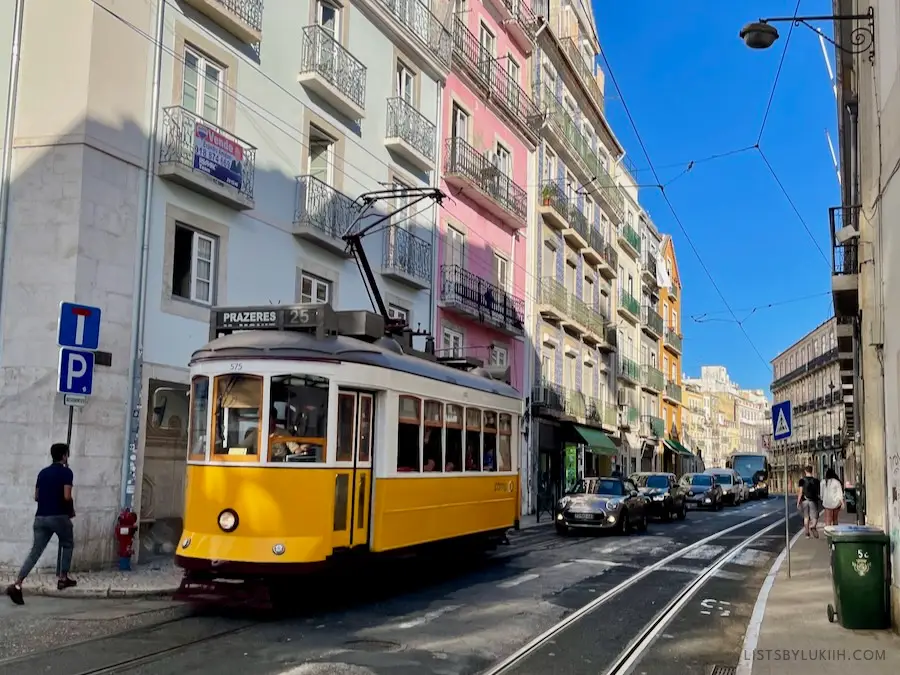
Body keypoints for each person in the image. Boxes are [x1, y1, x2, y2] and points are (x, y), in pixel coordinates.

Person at [6, 443, 77, 605]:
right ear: (64, 456)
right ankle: (63, 578)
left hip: (40, 517)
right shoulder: (67, 472)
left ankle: (17, 583)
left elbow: (36, 496)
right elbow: (67, 496)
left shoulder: (42, 473)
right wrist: (70, 508)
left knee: (35, 551)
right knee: (67, 543)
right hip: (58, 516)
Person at [797, 465, 821, 539]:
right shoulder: (816, 481)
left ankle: (807, 534)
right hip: (813, 500)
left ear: (805, 471)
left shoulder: (801, 480)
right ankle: (813, 526)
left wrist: (798, 501)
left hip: (804, 501)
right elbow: (818, 492)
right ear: (812, 471)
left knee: (806, 517)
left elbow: (800, 492)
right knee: (815, 516)